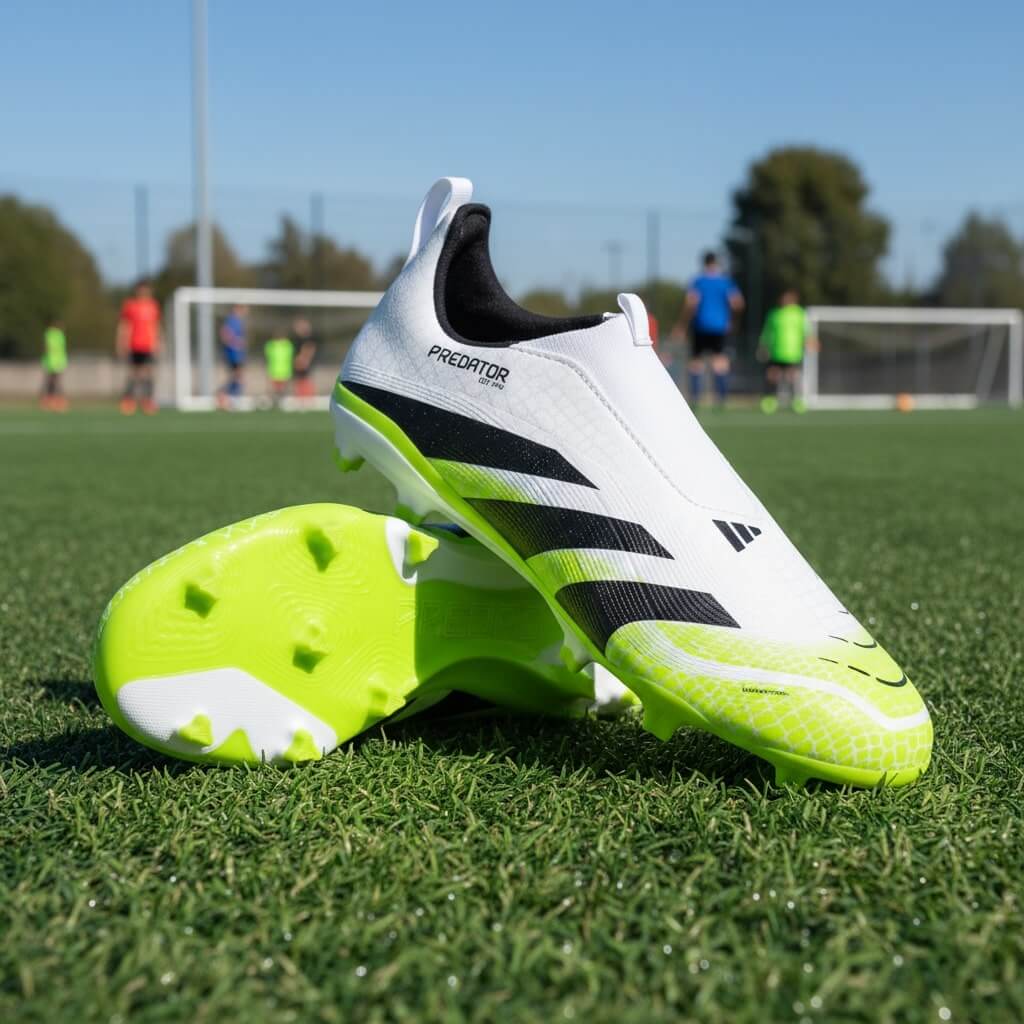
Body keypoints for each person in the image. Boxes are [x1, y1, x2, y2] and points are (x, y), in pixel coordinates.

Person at [679, 251, 744, 408]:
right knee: (720, 362)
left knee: (696, 362)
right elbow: (738, 303)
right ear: (717, 263)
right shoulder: (725, 282)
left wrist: (682, 325)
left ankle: (695, 399)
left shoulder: (698, 281)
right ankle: (721, 400)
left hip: (700, 325)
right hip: (720, 327)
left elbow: (691, 303)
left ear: (704, 263)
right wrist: (733, 321)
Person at [758, 288, 817, 413]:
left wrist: (811, 341)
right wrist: (763, 346)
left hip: (793, 352)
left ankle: (796, 401)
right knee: (772, 376)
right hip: (776, 351)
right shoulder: (774, 314)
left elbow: (807, 330)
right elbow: (767, 332)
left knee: (792, 377)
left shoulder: (799, 314)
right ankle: (770, 400)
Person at [117, 281, 161, 414]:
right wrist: (121, 342)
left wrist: (158, 342)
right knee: (133, 373)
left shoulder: (153, 306)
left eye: (146, 290)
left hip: (148, 345)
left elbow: (156, 326)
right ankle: (128, 400)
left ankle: (148, 401)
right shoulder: (130, 305)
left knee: (149, 373)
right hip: (133, 344)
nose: (143, 293)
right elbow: (124, 325)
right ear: (137, 291)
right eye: (141, 290)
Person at [217, 304, 248, 408]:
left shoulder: (238, 321)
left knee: (238, 377)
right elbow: (224, 335)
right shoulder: (232, 320)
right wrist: (236, 342)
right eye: (243, 309)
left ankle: (228, 398)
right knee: (238, 376)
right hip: (233, 354)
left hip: (237, 354)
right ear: (236, 309)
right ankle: (224, 395)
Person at [40, 317, 69, 411]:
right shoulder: (52, 334)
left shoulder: (58, 334)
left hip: (57, 361)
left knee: (54, 382)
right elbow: (47, 347)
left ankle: (56, 401)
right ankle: (49, 401)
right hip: (52, 361)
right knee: (51, 382)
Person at [264, 330, 295, 407]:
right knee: (274, 388)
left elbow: (290, 356)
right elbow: (267, 356)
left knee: (282, 388)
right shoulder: (270, 345)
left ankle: (281, 402)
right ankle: (274, 403)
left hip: (285, 370)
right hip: (273, 370)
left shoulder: (288, 345)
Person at [291, 316, 318, 399]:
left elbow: (309, 348)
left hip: (303, 361)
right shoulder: (298, 338)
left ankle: (307, 397)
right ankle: (301, 397)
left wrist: (304, 359)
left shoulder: (308, 338)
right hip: (300, 361)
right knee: (299, 380)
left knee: (304, 380)